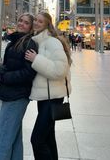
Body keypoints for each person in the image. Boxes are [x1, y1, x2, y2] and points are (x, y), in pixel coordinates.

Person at [0, 13, 38, 160]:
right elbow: (9, 66)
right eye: (20, 21)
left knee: (0, 138)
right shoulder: (16, 40)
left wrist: (5, 77)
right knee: (14, 138)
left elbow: (29, 72)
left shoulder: (28, 43)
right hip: (12, 94)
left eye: (26, 23)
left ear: (31, 27)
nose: (21, 24)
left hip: (16, 95)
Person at [25, 11, 72, 160]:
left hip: (53, 97)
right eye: (35, 20)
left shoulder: (52, 42)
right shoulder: (38, 41)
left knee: (37, 139)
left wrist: (36, 59)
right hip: (45, 96)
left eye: (40, 21)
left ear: (47, 24)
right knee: (48, 137)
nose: (36, 23)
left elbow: (60, 70)